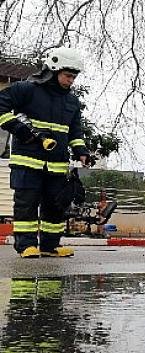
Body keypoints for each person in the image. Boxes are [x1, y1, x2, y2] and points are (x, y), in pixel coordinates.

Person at [0, 47, 92, 258]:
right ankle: (26, 246)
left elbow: (75, 132)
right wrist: (19, 129)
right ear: (53, 70)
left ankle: (50, 246)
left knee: (55, 205)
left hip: (57, 164)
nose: (71, 81)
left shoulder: (72, 102)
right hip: (27, 162)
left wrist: (81, 151)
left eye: (74, 77)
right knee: (27, 204)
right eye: (68, 76)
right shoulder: (26, 89)